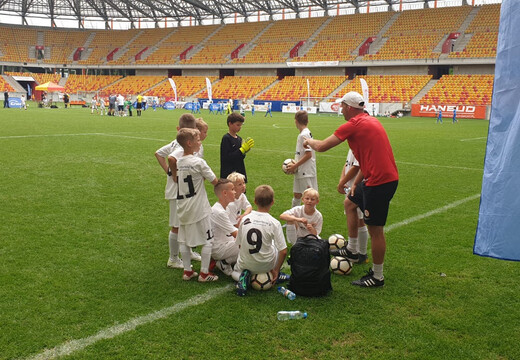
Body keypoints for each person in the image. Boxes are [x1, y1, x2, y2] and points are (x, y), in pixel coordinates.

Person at [303, 91, 398, 288]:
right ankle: (352, 250)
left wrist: (308, 141)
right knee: (349, 203)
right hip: (375, 177)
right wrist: (356, 184)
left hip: (380, 182)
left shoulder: (354, 124)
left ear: (349, 107)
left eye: (343, 106)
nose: (341, 109)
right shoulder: (370, 121)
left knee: (376, 230)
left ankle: (377, 276)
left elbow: (321, 147)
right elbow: (367, 159)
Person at [168, 128, 219, 282]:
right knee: (208, 240)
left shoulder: (179, 162)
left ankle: (187, 271)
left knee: (183, 240)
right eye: (197, 140)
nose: (200, 142)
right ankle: (204, 274)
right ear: (189, 143)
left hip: (182, 206)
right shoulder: (198, 162)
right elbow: (215, 181)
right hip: (199, 207)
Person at [155, 114, 201, 270]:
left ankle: (188, 252)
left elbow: (158, 153)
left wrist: (168, 171)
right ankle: (173, 258)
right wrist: (173, 173)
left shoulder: (176, 142)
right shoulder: (180, 146)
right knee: (176, 225)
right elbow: (169, 157)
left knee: (187, 223)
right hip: (177, 191)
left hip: (185, 191)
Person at [232, 185, 288, 296]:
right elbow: (284, 251)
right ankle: (275, 274)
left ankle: (242, 277)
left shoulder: (244, 219)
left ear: (255, 201)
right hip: (267, 265)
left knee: (233, 272)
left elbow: (239, 244)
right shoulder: (274, 223)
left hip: (245, 264)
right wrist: (275, 269)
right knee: (274, 244)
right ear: (272, 202)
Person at [336, 149, 369, 264]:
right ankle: (358, 252)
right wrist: (342, 180)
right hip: (350, 185)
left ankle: (360, 253)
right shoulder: (352, 146)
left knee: (360, 220)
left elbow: (356, 167)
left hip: (358, 186)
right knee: (357, 218)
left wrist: (342, 182)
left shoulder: (360, 143)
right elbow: (346, 164)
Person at [285, 110, 317, 208]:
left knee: (309, 197)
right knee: (297, 194)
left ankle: (311, 220)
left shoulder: (304, 135)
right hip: (301, 170)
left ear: (296, 121)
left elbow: (308, 154)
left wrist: (294, 165)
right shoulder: (305, 133)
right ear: (307, 121)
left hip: (305, 171)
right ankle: (293, 221)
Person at [210, 178, 239, 276]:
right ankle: (225, 263)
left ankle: (225, 262)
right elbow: (235, 234)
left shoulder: (224, 207)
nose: (235, 192)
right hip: (218, 248)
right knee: (249, 244)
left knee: (248, 243)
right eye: (232, 189)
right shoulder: (219, 212)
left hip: (224, 242)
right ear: (225, 193)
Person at [220, 112, 254, 181]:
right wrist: (241, 150)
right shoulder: (226, 138)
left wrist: (244, 152)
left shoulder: (239, 139)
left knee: (241, 190)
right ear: (230, 124)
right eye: (238, 125)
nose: (240, 127)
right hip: (229, 174)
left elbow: (240, 157)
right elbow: (226, 157)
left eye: (241, 125)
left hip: (239, 171)